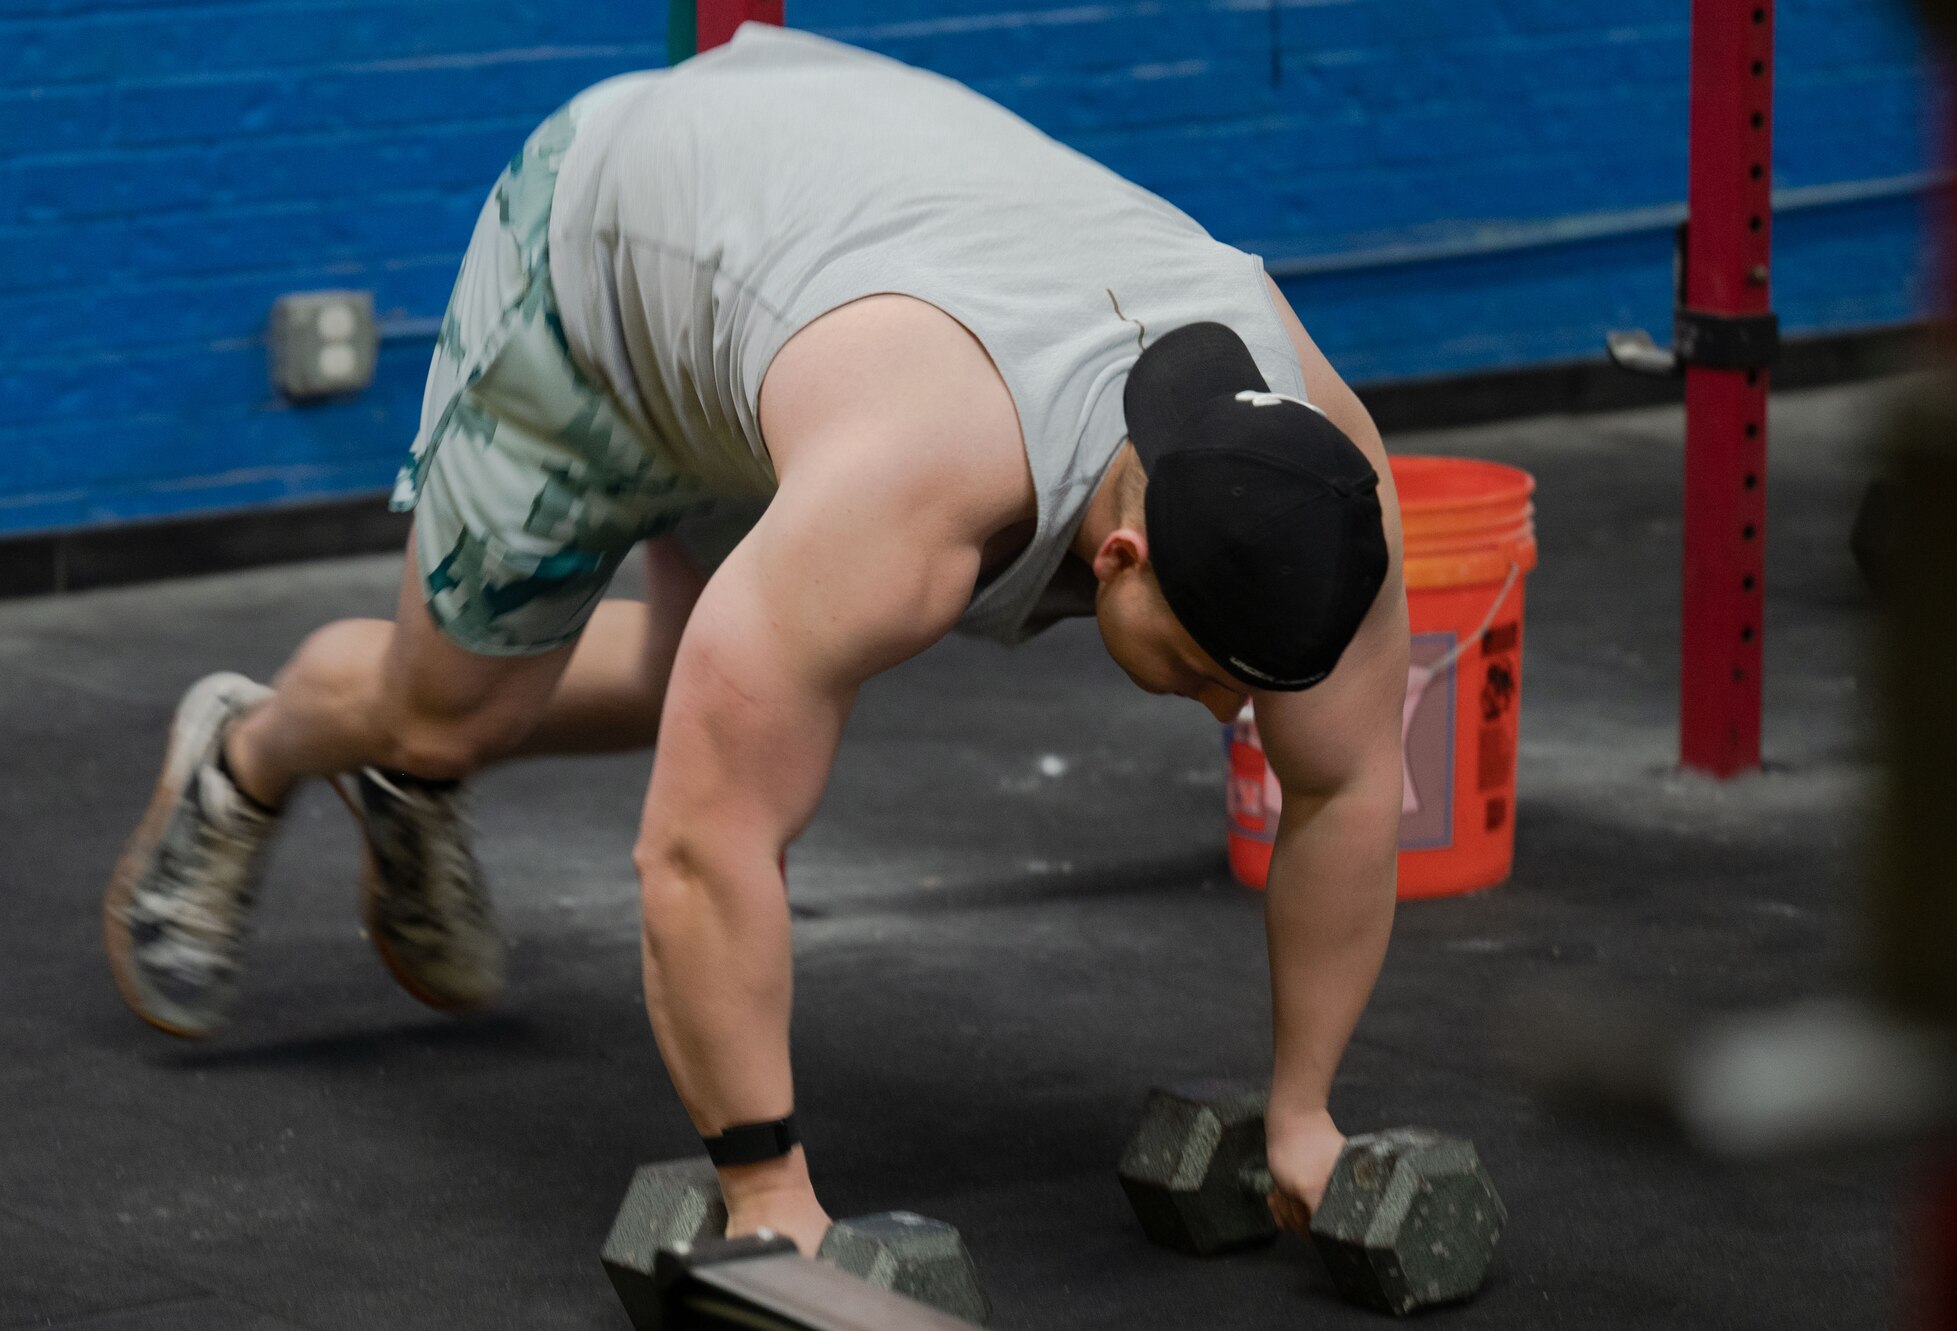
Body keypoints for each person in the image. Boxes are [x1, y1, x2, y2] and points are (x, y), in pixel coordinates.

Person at [103, 23, 1409, 1258]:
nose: (1222, 713)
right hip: (603, 277)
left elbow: (1345, 782)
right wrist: (765, 1187)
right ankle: (253, 754)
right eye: (1196, 671)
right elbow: (703, 844)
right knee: (457, 715)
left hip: (813, 286)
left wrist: (1302, 1115)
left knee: (707, 682)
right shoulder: (917, 491)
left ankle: (408, 755)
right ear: (1120, 554)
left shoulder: (1327, 484)